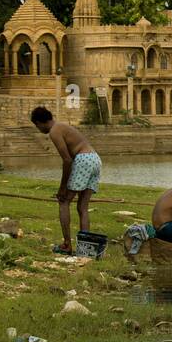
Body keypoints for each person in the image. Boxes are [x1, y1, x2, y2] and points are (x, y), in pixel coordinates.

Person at [31, 106, 101, 254]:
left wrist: (62, 188)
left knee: (64, 201)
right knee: (82, 207)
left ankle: (67, 245)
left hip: (83, 160)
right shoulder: (62, 126)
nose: (38, 129)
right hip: (94, 158)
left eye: (37, 126)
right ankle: (85, 249)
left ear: (39, 122)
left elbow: (67, 161)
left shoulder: (54, 131)